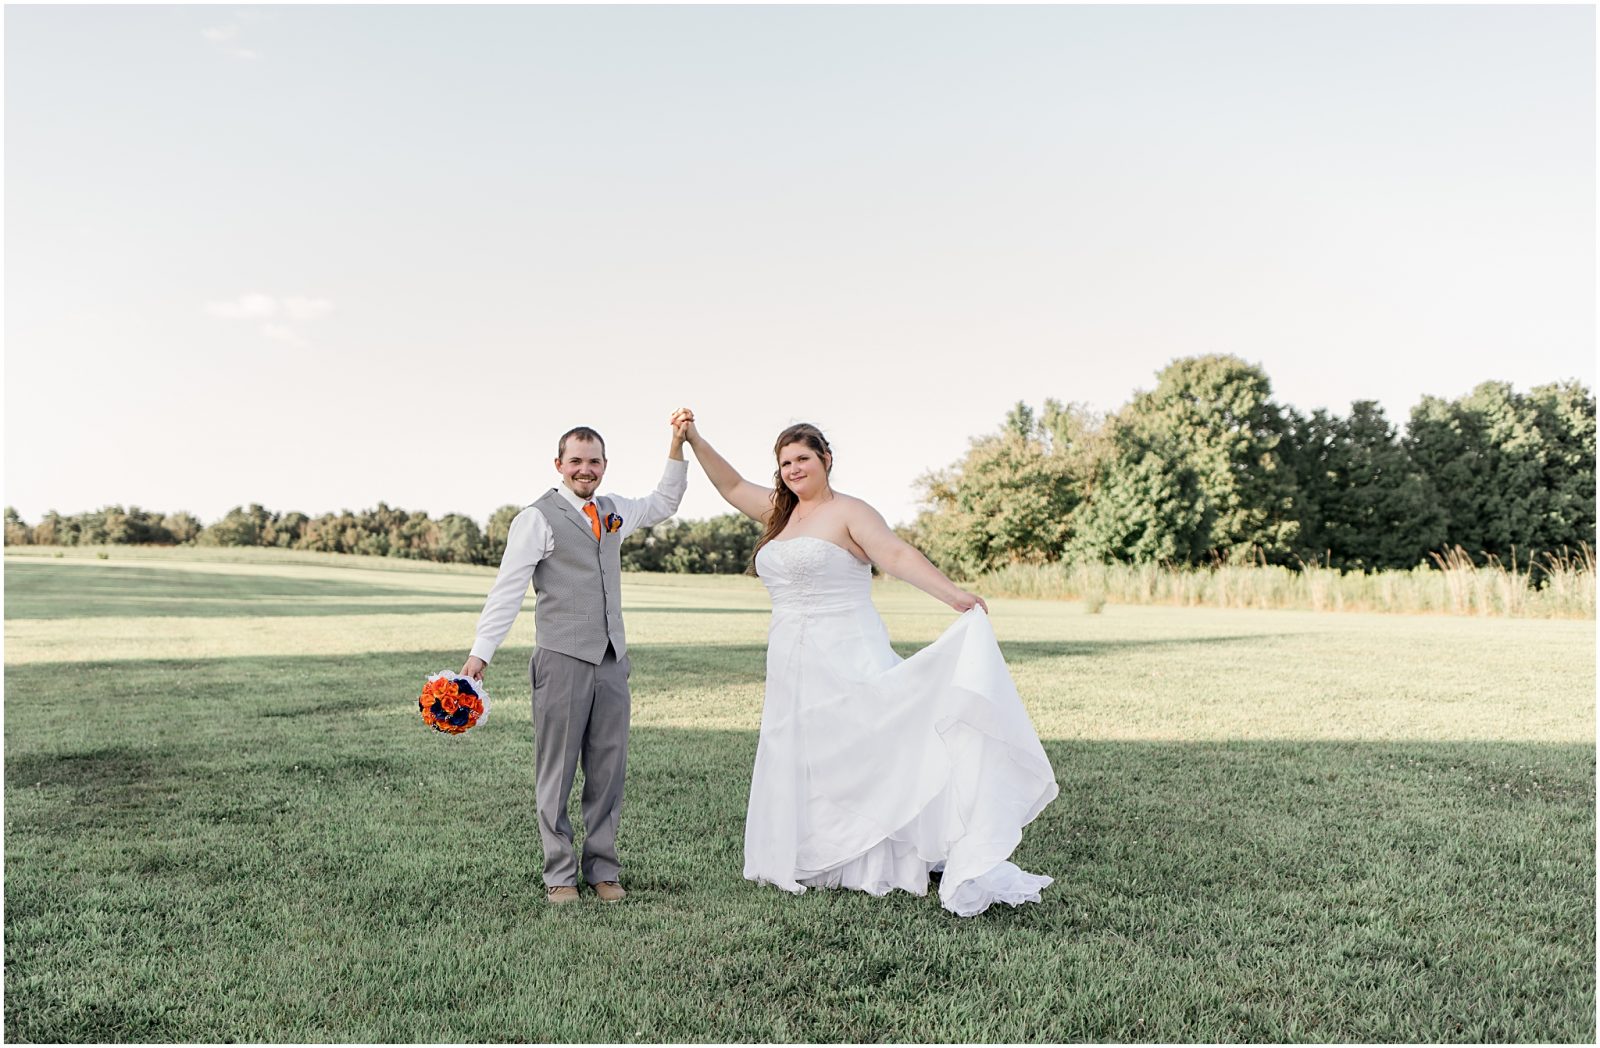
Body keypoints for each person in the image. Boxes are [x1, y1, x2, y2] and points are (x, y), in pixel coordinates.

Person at [680, 415, 1059, 916]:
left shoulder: (850, 512)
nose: (794, 469)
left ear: (826, 460)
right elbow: (729, 485)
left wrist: (954, 597)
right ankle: (816, 855)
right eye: (785, 462)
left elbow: (897, 555)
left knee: (862, 744)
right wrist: (694, 440)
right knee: (804, 748)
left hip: (845, 649)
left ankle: (880, 856)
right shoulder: (779, 513)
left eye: (803, 459)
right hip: (790, 658)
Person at [461, 413, 692, 905]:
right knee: (557, 771)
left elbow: (665, 502)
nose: (585, 470)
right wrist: (481, 653)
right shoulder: (536, 518)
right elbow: (507, 590)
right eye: (576, 461)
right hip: (561, 658)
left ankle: (602, 869)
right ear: (559, 464)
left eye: (594, 462)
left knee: (609, 769)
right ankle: (560, 875)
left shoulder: (612, 511)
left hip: (611, 659)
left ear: (604, 465)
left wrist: (677, 443)